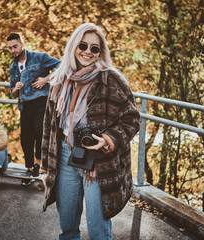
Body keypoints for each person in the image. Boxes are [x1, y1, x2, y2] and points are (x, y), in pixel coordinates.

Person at [40, 23, 141, 239]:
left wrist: (106, 139)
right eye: (83, 45)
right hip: (66, 157)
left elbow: (132, 119)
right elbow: (50, 127)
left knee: (98, 231)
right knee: (67, 228)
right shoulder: (59, 80)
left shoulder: (110, 79)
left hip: (99, 161)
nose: (87, 51)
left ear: (100, 52)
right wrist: (44, 167)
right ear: (73, 46)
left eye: (94, 48)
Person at [6, 33, 60, 182]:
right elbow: (12, 93)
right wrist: (16, 89)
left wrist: (46, 80)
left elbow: (61, 66)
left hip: (41, 101)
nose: (12, 50)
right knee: (25, 138)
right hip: (25, 104)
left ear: (22, 44)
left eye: (15, 46)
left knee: (40, 132)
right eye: (9, 48)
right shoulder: (13, 68)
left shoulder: (39, 57)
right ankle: (29, 169)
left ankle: (38, 165)